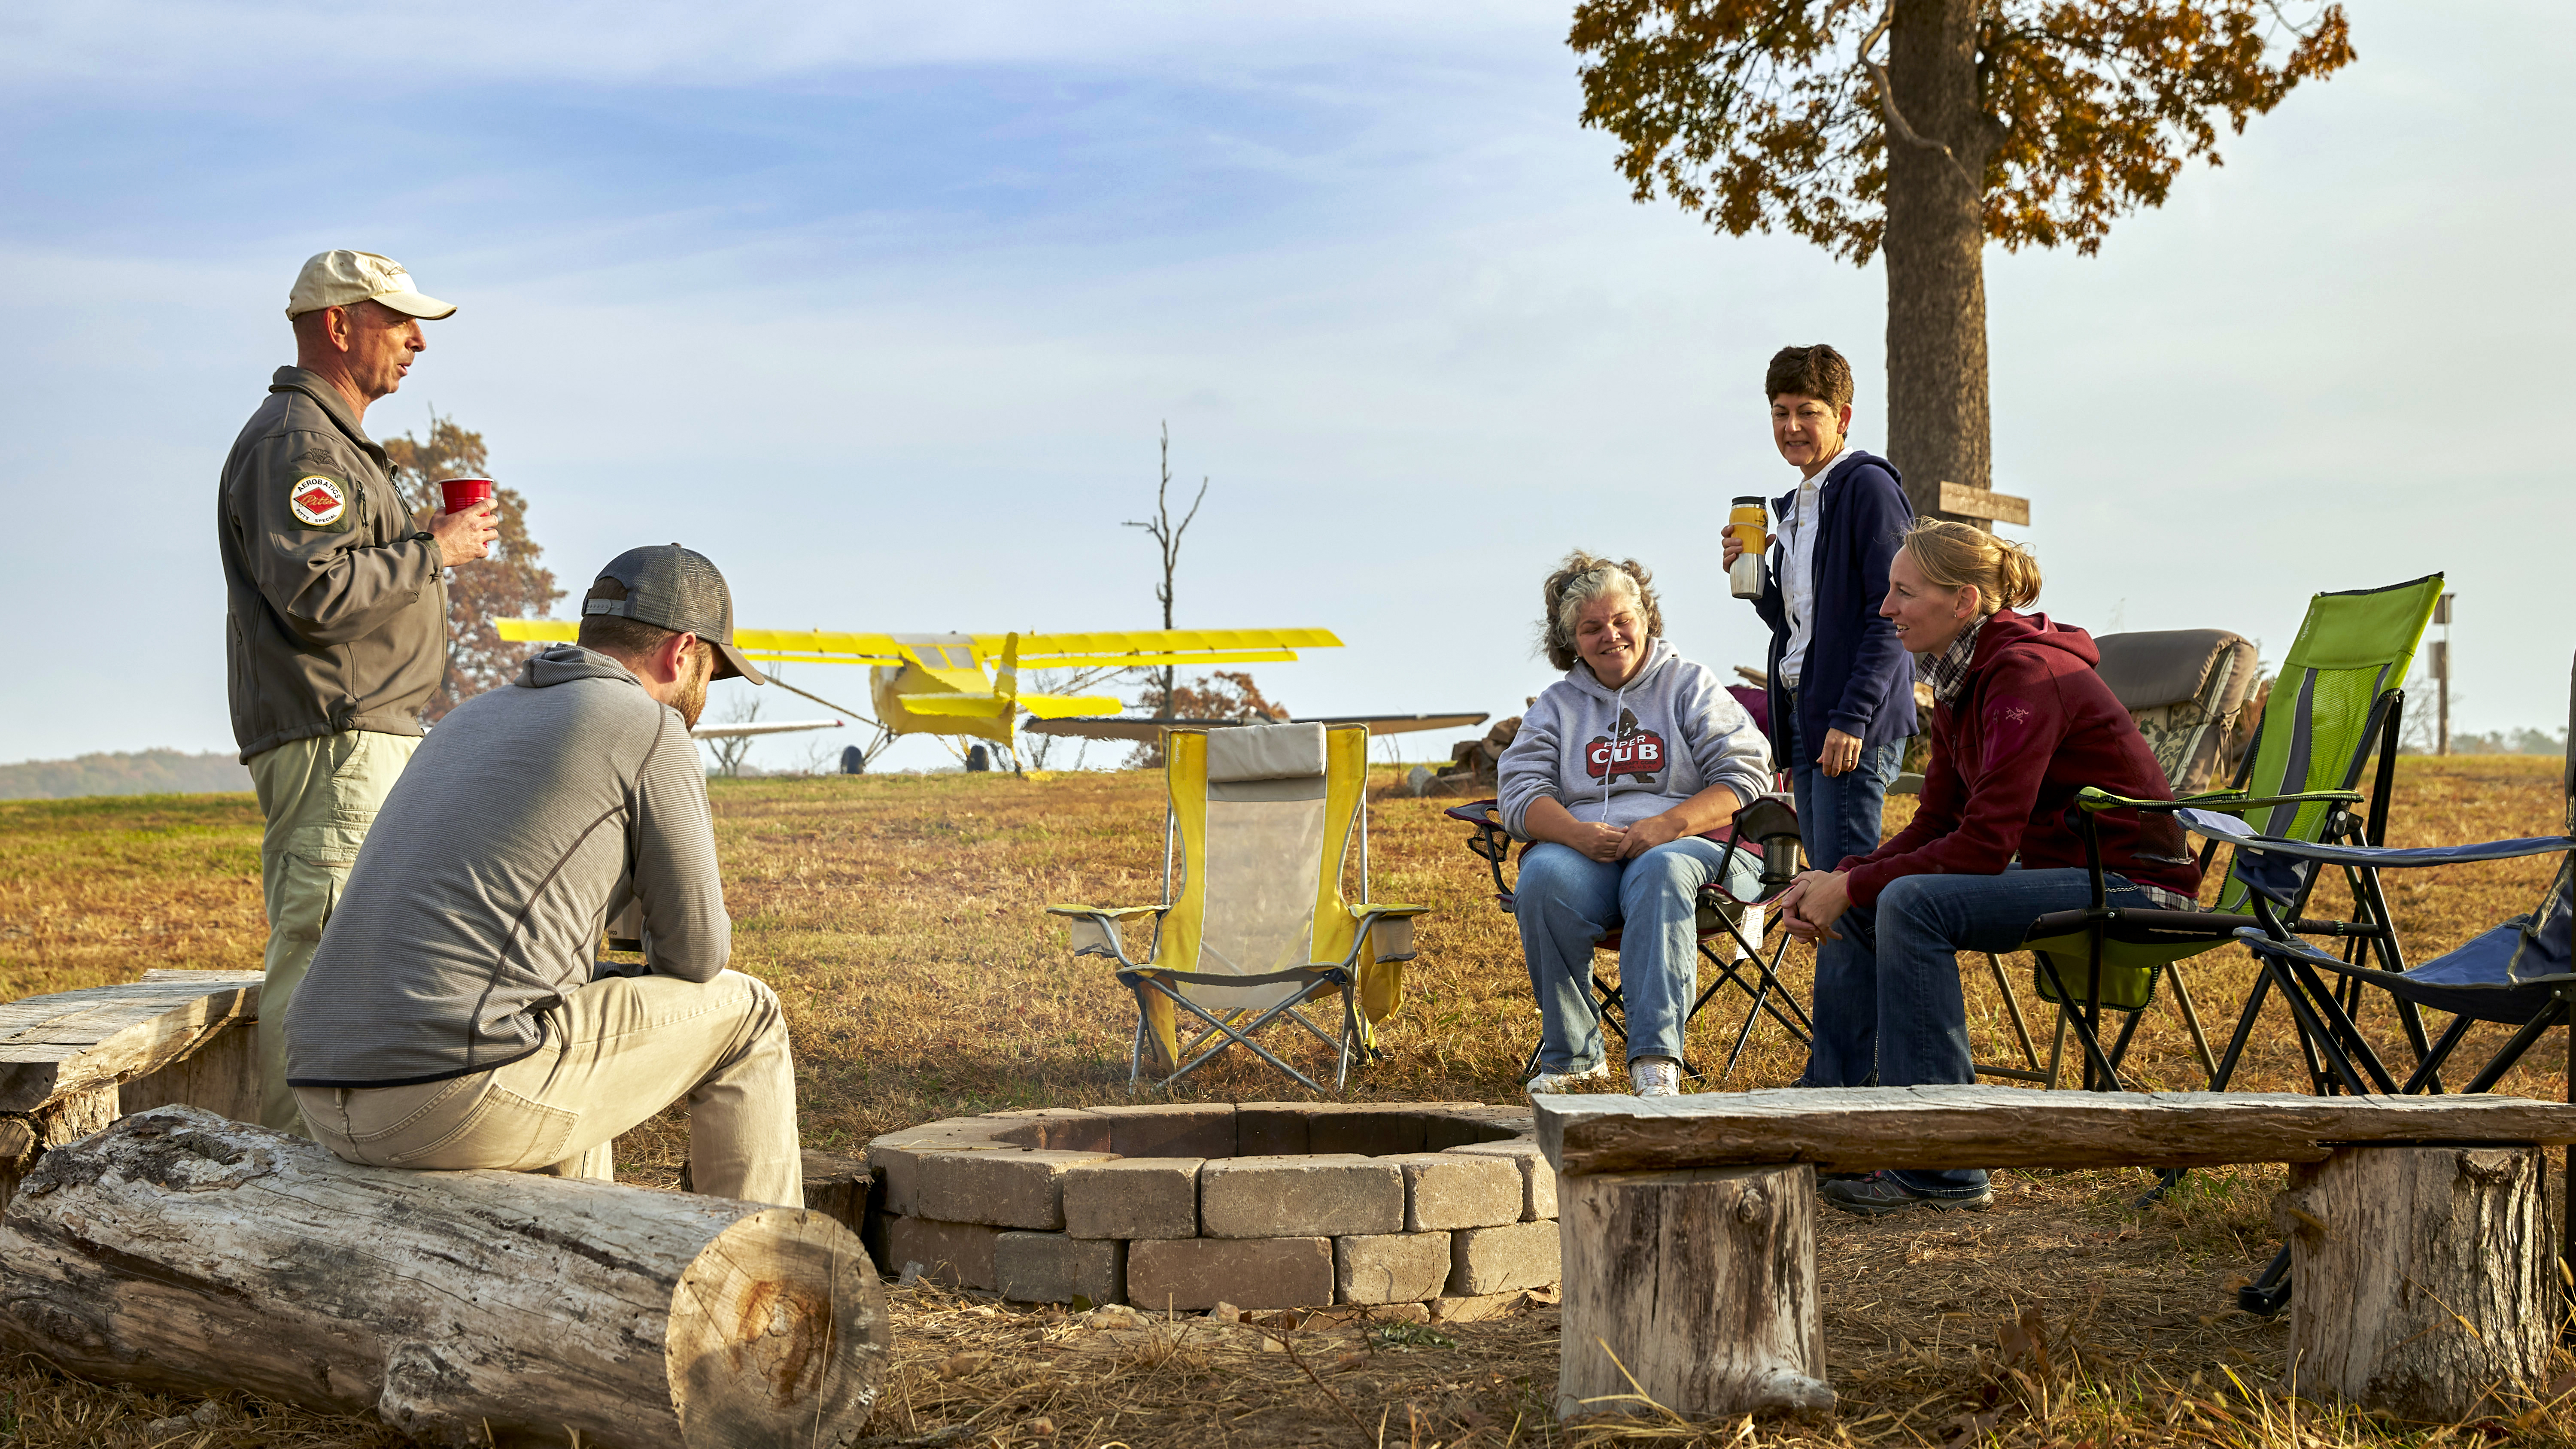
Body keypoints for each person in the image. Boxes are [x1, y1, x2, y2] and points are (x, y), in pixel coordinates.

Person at [286, 545, 805, 1206]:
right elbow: (698, 954)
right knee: (749, 1011)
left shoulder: (466, 718)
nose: (703, 696)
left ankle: (582, 1272)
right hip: (446, 1099)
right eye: (712, 671)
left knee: (559, 1011)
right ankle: (771, 1271)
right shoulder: (649, 725)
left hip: (323, 1094)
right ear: (681, 652)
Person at [1777, 521, 2202, 1215]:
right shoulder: (1962, 681)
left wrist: (1851, 884)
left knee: (1910, 903)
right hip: (2069, 871)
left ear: (1964, 601)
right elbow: (1936, 824)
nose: (1885, 608)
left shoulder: (2025, 676)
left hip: (2134, 883)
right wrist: (1840, 877)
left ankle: (1943, 1165)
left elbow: (1983, 844)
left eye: (1904, 592)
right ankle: (1856, 1118)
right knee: (1877, 894)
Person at [219, 249, 497, 1133]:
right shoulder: (303, 441)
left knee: (348, 965)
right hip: (341, 744)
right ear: (338, 324)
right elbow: (317, 594)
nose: (418, 341)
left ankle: (322, 1185)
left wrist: (406, 539)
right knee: (324, 966)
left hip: (357, 739)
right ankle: (292, 1191)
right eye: (398, 319)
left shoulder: (324, 442)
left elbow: (323, 572)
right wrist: (433, 551)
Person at [1498, 552, 1774, 1097]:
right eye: (1592, 628)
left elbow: (1746, 775)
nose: (1611, 636)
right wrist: (1576, 834)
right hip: (1592, 854)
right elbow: (1520, 793)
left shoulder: (1688, 684)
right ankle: (1575, 1056)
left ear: (1646, 617)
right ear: (1571, 640)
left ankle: (1655, 1060)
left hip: (1705, 851)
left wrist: (1670, 823)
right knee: (1545, 876)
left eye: (1622, 620)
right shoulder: (1557, 706)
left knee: (1660, 867)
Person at [1722, 345, 1915, 926]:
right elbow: (1800, 628)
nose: (1792, 427)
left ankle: (1852, 1023)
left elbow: (1892, 613)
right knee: (1821, 893)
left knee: (1840, 898)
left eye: (1808, 411)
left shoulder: (1866, 488)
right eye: (1780, 413)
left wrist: (1852, 716)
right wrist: (1755, 582)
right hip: (1807, 718)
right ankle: (1840, 1022)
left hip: (1847, 722)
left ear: (1843, 417)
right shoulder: (1799, 505)